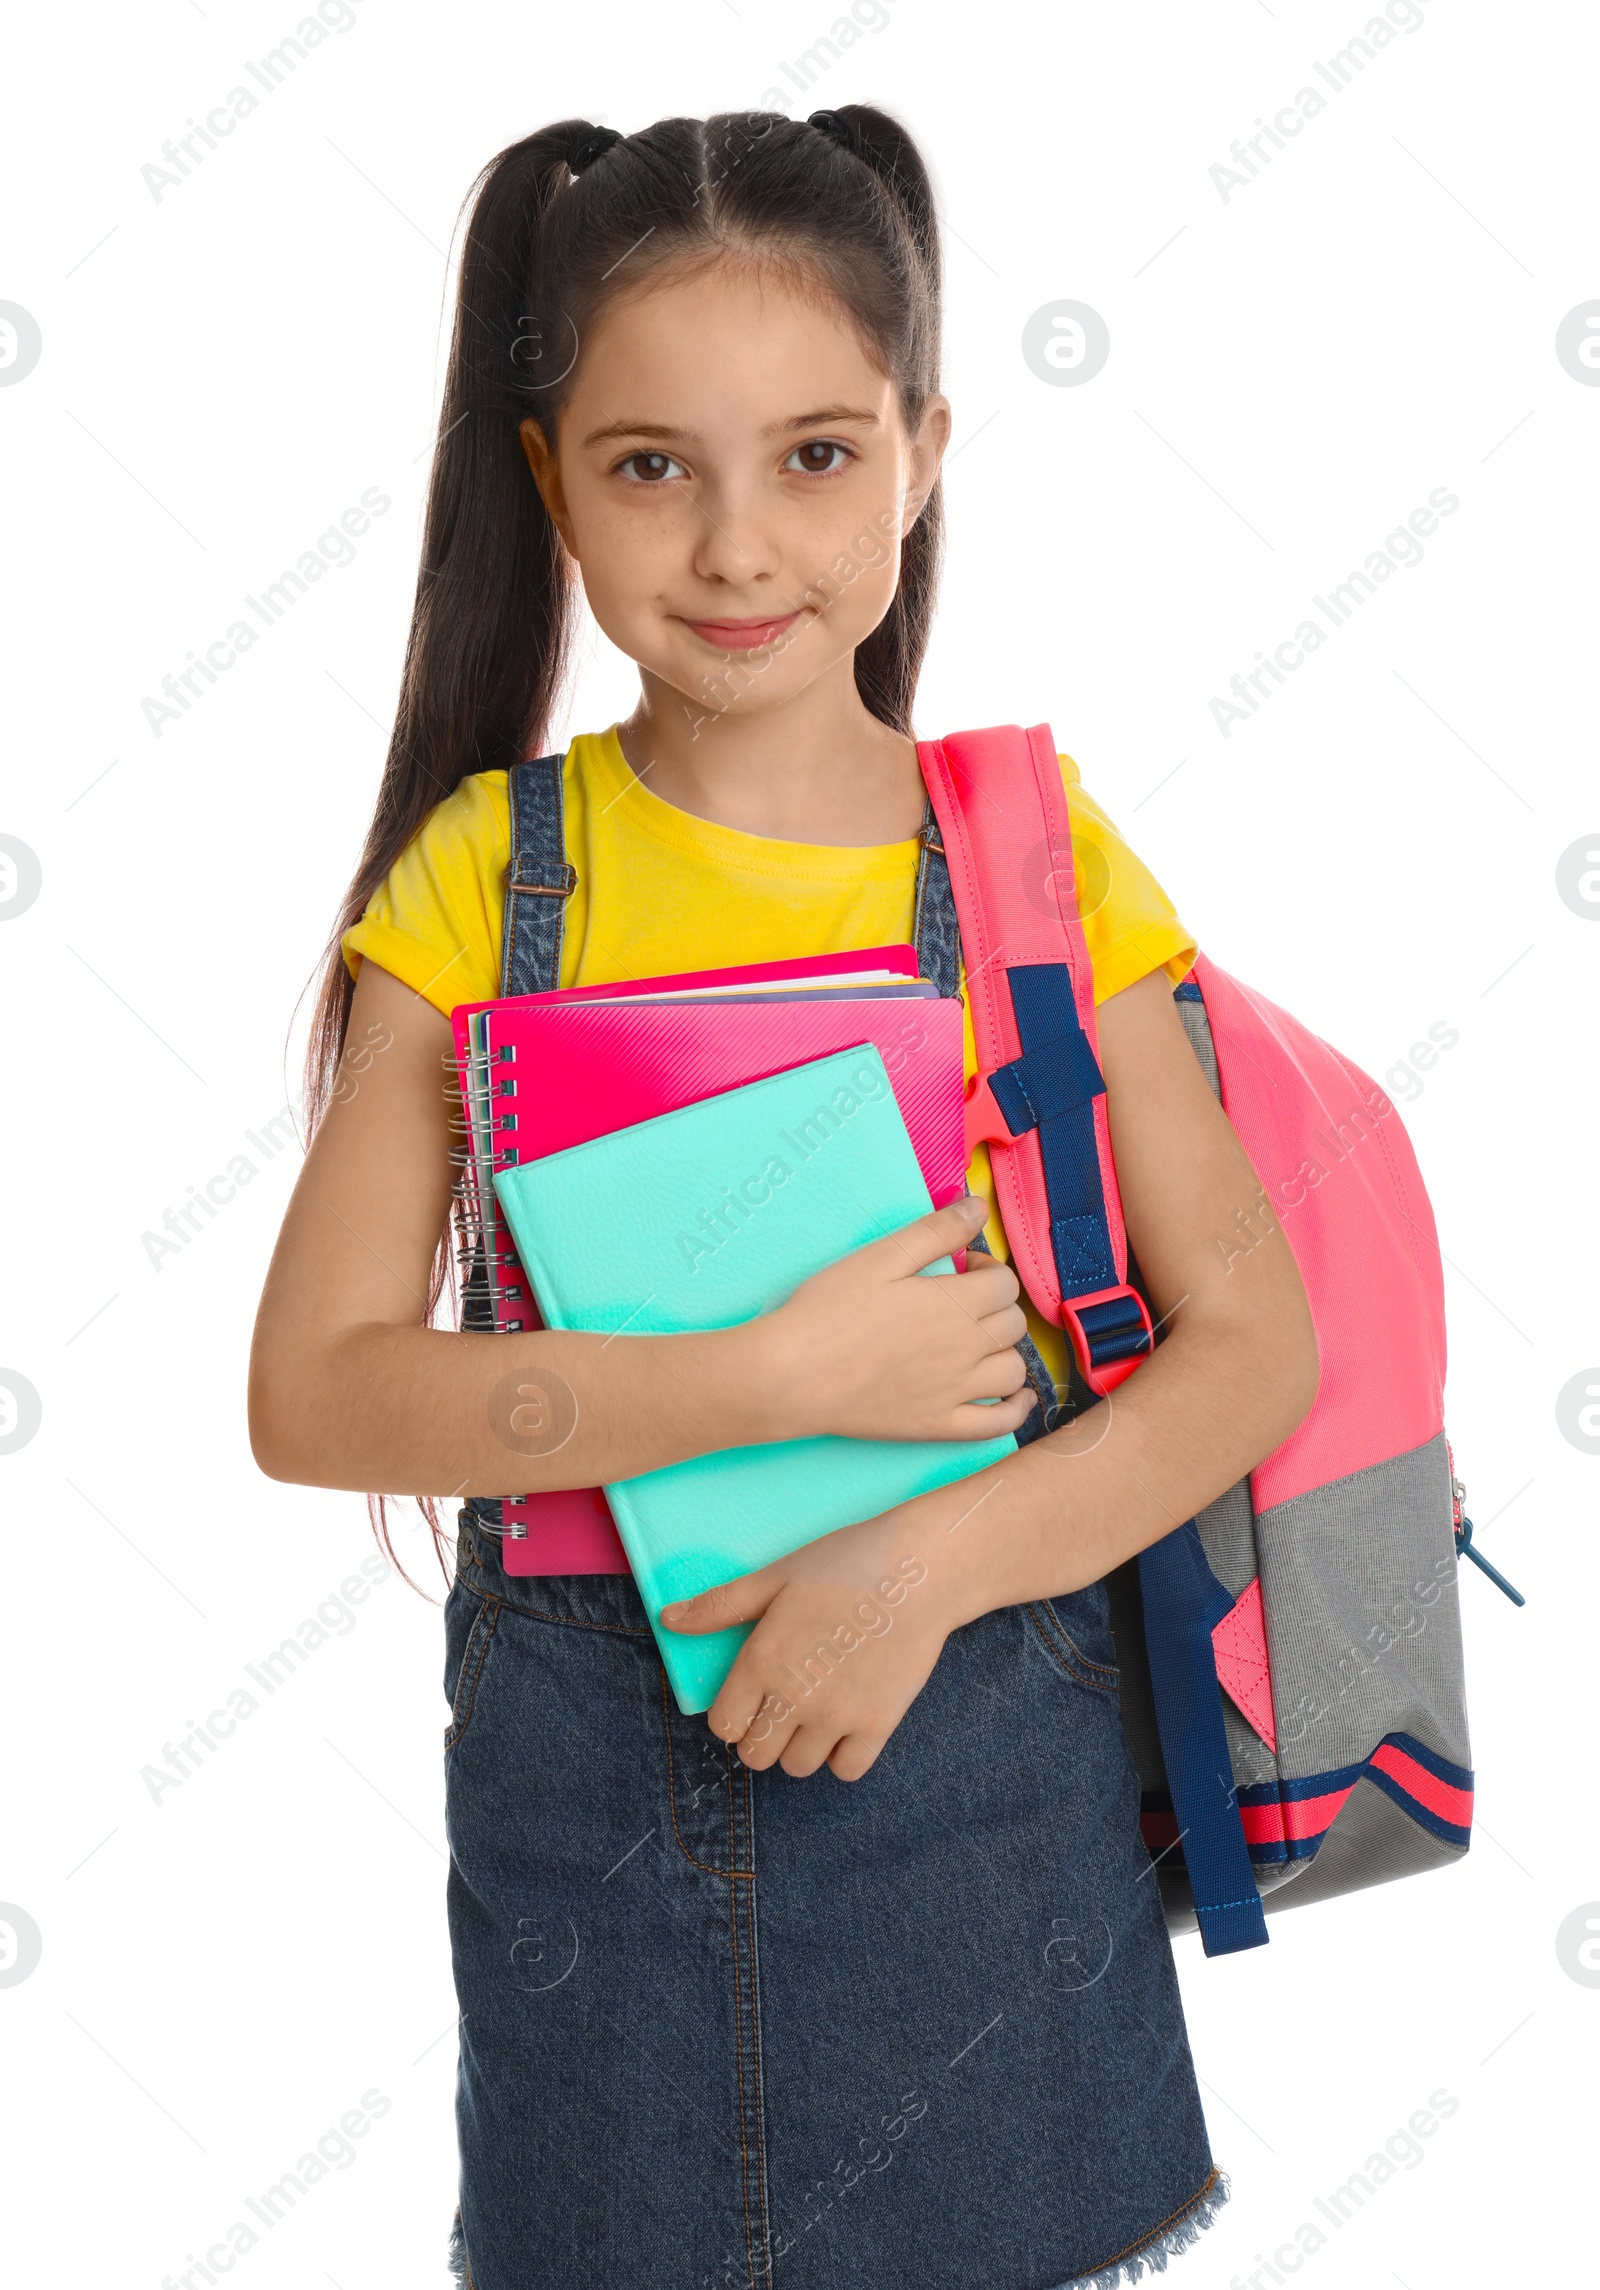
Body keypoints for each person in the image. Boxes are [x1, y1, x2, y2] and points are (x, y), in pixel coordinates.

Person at [249, 104, 1318, 2290]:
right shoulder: (483, 884)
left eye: (816, 455)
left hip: (981, 1794)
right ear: (546, 477)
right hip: (590, 1819)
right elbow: (319, 1394)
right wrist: (762, 1374)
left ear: (922, 452)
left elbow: (1250, 1348)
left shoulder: (1027, 856)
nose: (738, 542)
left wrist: (917, 1566)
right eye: (651, 464)